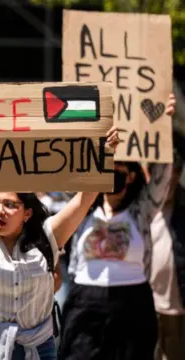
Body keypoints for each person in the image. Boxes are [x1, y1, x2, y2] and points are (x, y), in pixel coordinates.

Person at [0, 125, 119, 360]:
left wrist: (105, 154)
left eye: (10, 205)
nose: (0, 211)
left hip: (37, 347)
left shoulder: (48, 235)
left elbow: (84, 200)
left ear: (27, 213)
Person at [61, 96, 176, 360]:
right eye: (106, 171)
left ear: (132, 175)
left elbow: (161, 176)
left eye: (118, 171)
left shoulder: (142, 209)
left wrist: (163, 126)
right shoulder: (82, 207)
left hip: (133, 304)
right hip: (84, 302)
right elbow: (67, 169)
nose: (111, 177)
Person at [151, 133, 185, 360]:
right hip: (143, 304)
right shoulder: (139, 206)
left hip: (177, 308)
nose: (169, 182)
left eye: (174, 175)